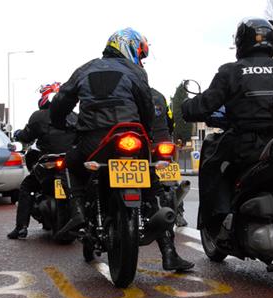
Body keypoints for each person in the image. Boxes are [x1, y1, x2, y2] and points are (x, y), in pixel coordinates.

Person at [51, 28, 193, 271]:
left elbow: (61, 102)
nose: (141, 59)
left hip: (93, 141)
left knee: (69, 166)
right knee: (153, 187)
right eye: (140, 53)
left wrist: (59, 122)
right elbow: (147, 107)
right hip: (131, 137)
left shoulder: (85, 69)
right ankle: (169, 254)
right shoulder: (136, 72)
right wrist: (146, 132)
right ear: (128, 46)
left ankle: (78, 213)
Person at [182, 18, 273, 243]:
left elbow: (206, 104)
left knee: (212, 160)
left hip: (249, 143)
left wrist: (187, 107)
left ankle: (217, 219)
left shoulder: (232, 71)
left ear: (241, 41)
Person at [7, 82, 77, 239]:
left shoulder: (38, 116)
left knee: (26, 187)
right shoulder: (74, 116)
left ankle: (21, 228)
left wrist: (18, 135)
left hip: (48, 162)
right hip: (69, 162)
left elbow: (26, 136)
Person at [151, 88, 188, 227]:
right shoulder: (159, 95)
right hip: (161, 139)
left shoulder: (128, 94)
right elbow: (170, 119)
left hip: (140, 141)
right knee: (169, 177)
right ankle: (179, 214)